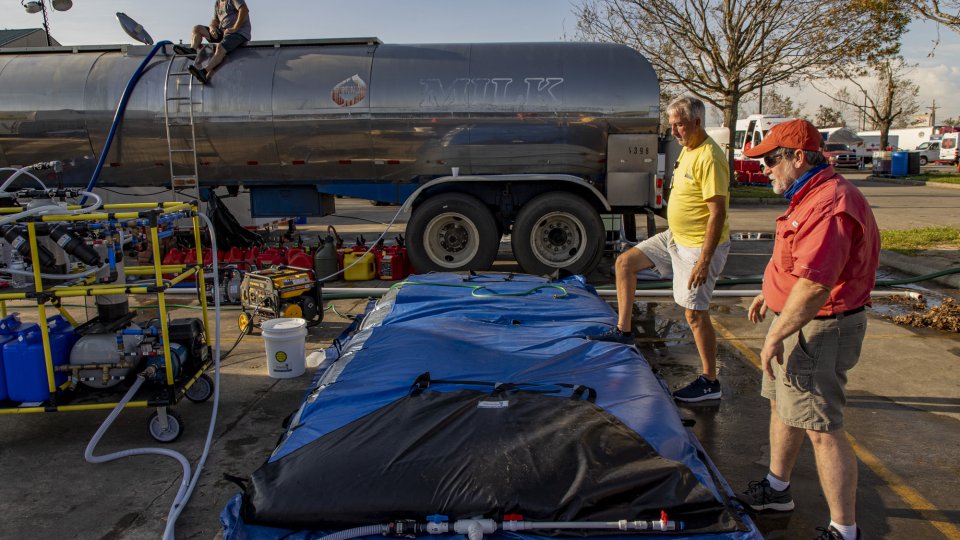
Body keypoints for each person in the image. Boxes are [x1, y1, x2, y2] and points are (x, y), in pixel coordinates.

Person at [739, 119, 879, 540]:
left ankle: (844, 529)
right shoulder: (808, 196)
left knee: (821, 428)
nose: (763, 169)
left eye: (770, 161)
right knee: (784, 409)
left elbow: (817, 284)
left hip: (819, 329)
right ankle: (777, 489)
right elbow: (791, 259)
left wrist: (776, 332)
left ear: (799, 157)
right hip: (799, 322)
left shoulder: (831, 203)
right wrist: (770, 292)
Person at [590, 96, 731, 403]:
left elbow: (717, 212)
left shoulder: (710, 157)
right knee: (625, 263)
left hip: (697, 246)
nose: (675, 132)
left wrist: (704, 261)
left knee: (694, 314)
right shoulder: (687, 151)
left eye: (680, 125)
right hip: (675, 237)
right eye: (671, 125)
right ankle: (624, 331)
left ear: (696, 122)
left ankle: (710, 380)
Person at [174, 0, 252, 84]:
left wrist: (235, 28)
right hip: (223, 32)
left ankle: (204, 72)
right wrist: (212, 28)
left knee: (220, 48)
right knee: (197, 28)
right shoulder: (218, 3)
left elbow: (244, 10)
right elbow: (215, 20)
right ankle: (193, 50)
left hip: (238, 33)